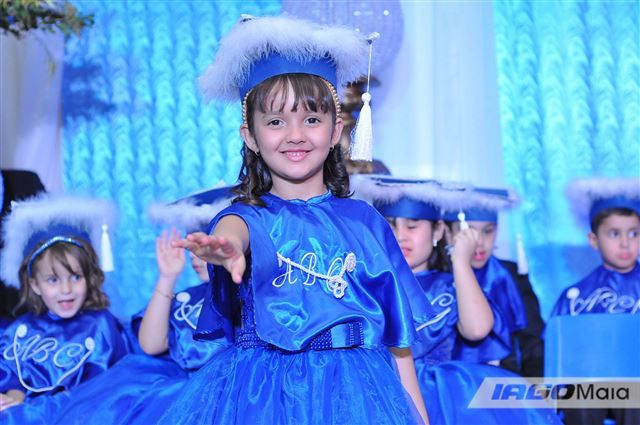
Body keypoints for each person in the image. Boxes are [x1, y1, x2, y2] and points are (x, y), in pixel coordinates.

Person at [160, 15, 434, 424]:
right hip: (262, 397)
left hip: (355, 397)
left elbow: (399, 343)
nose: (295, 135)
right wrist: (228, 248)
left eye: (311, 119)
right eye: (275, 121)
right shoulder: (246, 217)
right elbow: (235, 231)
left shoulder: (365, 222)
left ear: (335, 128)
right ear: (250, 136)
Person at [353, 175, 562, 424]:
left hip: (443, 399)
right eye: (390, 225)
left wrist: (461, 262)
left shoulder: (450, 286)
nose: (400, 236)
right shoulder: (368, 286)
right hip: (381, 391)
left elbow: (477, 329)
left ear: (438, 230)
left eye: (413, 226)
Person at [40, 187, 233, 424]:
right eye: (191, 246)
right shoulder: (188, 299)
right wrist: (167, 277)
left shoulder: (246, 298)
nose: (194, 255)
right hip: (174, 391)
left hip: (221, 393)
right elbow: (151, 345)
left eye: (202, 244)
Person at [0, 194, 130, 417]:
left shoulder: (100, 325)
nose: (66, 289)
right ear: (35, 285)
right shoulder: (18, 331)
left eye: (76, 277)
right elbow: (13, 376)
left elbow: (109, 386)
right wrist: (14, 397)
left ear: (89, 278)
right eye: (53, 279)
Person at [550, 177, 640, 425]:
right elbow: (560, 349)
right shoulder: (576, 296)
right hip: (592, 382)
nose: (625, 243)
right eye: (614, 233)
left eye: (634, 233)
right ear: (593, 240)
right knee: (581, 394)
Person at [444, 186, 544, 375]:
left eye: (488, 231)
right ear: (448, 233)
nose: (479, 242)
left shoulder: (510, 276)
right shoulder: (439, 280)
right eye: (468, 232)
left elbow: (533, 343)